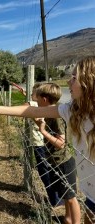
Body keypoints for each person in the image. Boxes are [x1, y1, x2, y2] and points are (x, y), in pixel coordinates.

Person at [0, 56, 95, 224]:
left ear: (89, 82)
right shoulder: (72, 110)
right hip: (90, 195)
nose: (69, 82)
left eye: (74, 78)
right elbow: (33, 111)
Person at [34, 83, 79, 222]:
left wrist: (43, 131)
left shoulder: (57, 117)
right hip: (55, 161)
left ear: (45, 99)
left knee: (71, 198)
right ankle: (67, 219)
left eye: (37, 98)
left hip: (64, 162)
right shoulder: (48, 114)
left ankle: (75, 222)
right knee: (65, 194)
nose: (35, 100)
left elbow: (60, 144)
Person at [21, 83, 62, 207]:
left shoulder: (34, 105)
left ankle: (55, 199)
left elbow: (24, 108)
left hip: (40, 144)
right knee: (45, 170)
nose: (32, 95)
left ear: (42, 98)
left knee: (45, 171)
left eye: (33, 93)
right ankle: (55, 198)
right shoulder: (38, 104)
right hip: (40, 143)